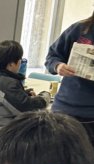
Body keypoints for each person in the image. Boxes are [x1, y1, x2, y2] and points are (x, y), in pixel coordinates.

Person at [45, 10, 94, 147]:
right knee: (58, 157)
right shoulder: (80, 29)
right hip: (66, 108)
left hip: (91, 113)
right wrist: (58, 66)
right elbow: (52, 56)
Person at [0, 40, 49, 129]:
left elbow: (9, 98)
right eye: (20, 59)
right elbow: (27, 110)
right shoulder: (9, 84)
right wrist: (44, 97)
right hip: (3, 133)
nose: (21, 62)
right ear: (11, 63)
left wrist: (24, 93)